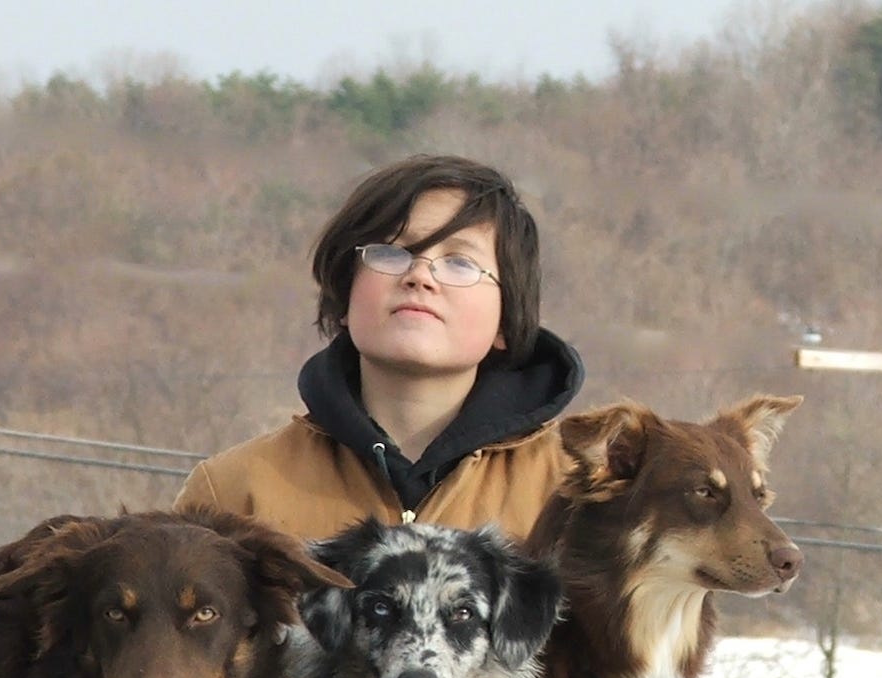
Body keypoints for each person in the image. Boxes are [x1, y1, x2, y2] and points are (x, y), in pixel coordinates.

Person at [176, 154, 584, 541]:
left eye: (459, 262)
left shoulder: (576, 494)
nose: (420, 276)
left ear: (505, 320)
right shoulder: (231, 492)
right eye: (391, 252)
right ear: (345, 296)